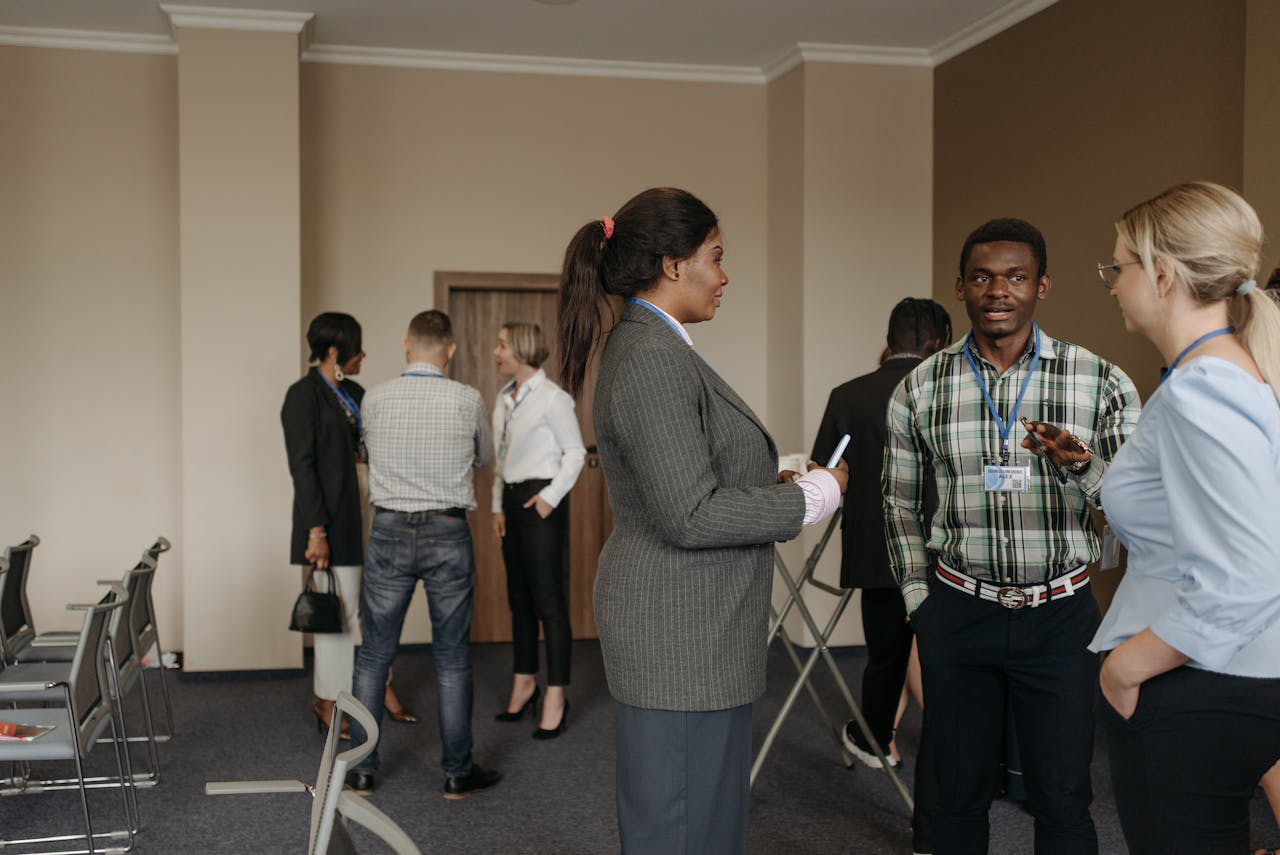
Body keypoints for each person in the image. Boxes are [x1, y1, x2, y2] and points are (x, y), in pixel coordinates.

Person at [555, 187, 848, 855]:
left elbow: (688, 478)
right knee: (682, 826)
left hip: (694, 626)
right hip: (679, 630)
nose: (724, 274)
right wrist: (813, 496)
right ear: (671, 263)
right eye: (715, 257)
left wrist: (768, 484)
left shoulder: (658, 346)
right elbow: (688, 514)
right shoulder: (652, 357)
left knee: (705, 821)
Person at [884, 217, 1142, 855]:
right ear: (960, 288)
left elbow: (1140, 511)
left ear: (1042, 287)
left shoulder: (1100, 382)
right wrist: (923, 603)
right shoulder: (921, 387)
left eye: (1016, 277)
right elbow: (900, 503)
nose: (998, 291)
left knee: (1061, 796)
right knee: (957, 796)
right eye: (982, 276)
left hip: (1058, 618)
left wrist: (1082, 466)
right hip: (958, 612)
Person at [1088, 182, 1280, 855]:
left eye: (1119, 267)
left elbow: (1249, 573)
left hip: (1194, 683)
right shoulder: (1224, 373)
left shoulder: (1204, 390)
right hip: (1218, 677)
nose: (1111, 284)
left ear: (1163, 275)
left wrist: (1127, 666)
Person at [812, 297, 951, 855]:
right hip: (948, 550)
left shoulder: (848, 395)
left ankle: (875, 738)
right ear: (939, 341)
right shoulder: (951, 389)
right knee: (948, 666)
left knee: (886, 658)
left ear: (889, 339)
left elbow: (826, 471)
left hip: (876, 549)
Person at [344, 310, 500, 800]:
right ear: (449, 350)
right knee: (452, 658)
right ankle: (457, 774)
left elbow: (366, 453)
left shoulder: (376, 398)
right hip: (447, 529)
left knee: (373, 655)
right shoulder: (467, 398)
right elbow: (483, 457)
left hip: (389, 529)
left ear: (406, 345)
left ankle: (362, 771)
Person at [281, 313, 411, 737]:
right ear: (334, 351)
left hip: (370, 507)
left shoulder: (354, 391)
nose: (364, 355)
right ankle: (328, 700)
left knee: (378, 605)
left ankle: (382, 687)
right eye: (357, 347)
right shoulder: (303, 396)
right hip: (332, 518)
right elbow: (302, 468)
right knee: (337, 612)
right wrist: (315, 530)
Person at [490, 321, 586, 737]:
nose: (496, 351)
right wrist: (497, 507)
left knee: (549, 601)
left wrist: (549, 498)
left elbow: (576, 453)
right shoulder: (503, 398)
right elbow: (500, 459)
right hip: (511, 502)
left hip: (542, 501)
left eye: (503, 345)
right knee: (519, 599)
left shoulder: (553, 398)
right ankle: (524, 680)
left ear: (523, 350)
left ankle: (556, 692)